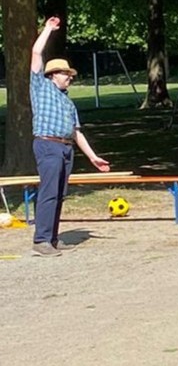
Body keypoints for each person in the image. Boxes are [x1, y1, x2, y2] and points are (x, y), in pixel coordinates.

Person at [29, 16, 111, 257]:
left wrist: (94, 158)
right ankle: (41, 240)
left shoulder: (68, 102)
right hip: (47, 145)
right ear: (53, 74)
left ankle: (53, 238)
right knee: (49, 191)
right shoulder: (40, 87)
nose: (70, 77)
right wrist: (48, 29)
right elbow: (35, 53)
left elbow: (77, 132)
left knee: (60, 193)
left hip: (65, 149)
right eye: (66, 74)